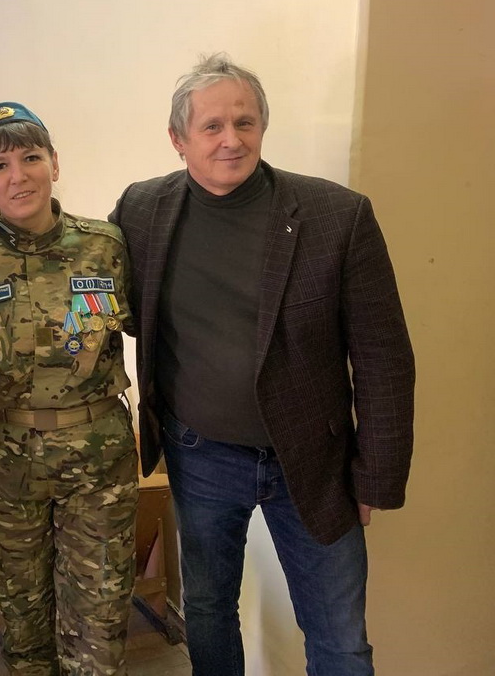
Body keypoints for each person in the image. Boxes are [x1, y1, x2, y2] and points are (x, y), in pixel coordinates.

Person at [110, 54, 415, 676]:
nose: (232, 140)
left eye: (244, 123)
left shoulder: (337, 215)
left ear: (262, 128)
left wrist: (375, 476)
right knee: (208, 609)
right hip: (199, 454)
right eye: (212, 126)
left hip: (314, 461)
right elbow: (106, 298)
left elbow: (383, 356)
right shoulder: (142, 210)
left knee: (339, 637)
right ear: (178, 139)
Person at [0, 102, 138, 675]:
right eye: (0, 166)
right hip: (7, 463)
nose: (19, 177)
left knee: (99, 624)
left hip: (98, 462)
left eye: (31, 158)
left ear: (54, 163)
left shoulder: (106, 245)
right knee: (25, 624)